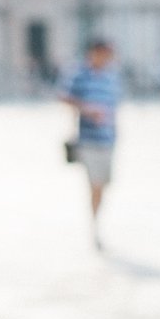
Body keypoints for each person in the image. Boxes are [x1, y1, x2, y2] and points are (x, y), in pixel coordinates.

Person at [60, 38, 122, 247]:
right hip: (88, 139)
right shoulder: (79, 74)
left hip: (108, 139)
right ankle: (95, 226)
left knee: (103, 185)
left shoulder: (111, 77)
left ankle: (96, 219)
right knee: (95, 183)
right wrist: (87, 108)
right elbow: (63, 96)